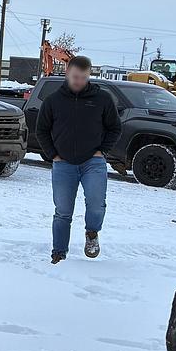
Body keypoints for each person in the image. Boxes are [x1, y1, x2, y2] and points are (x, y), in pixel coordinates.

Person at [35, 55, 121, 263]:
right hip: (63, 163)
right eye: (75, 77)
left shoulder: (102, 99)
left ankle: (92, 233)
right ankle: (59, 252)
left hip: (93, 162)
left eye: (83, 77)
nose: (79, 81)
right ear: (67, 74)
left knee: (96, 204)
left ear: (89, 75)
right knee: (63, 211)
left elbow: (115, 128)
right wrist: (53, 155)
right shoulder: (53, 100)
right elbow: (41, 130)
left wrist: (103, 150)